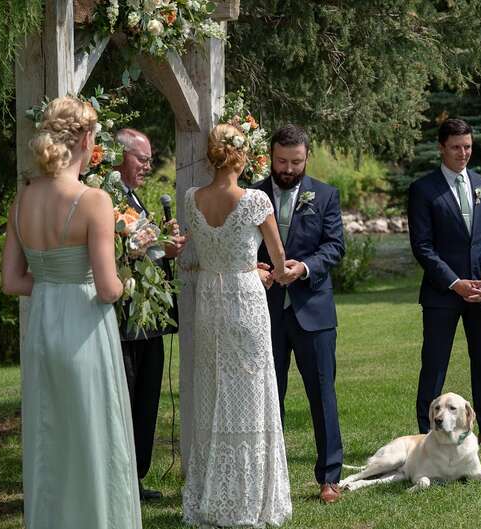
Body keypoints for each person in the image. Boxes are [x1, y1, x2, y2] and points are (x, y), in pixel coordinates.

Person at [0, 96, 142, 529]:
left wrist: (50, 288)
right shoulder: (94, 200)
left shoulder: (21, 202)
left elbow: (11, 281)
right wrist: (130, 277)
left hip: (43, 329)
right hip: (84, 331)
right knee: (94, 439)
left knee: (51, 439)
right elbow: (106, 288)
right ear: (84, 139)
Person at [181, 123, 292, 527]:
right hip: (245, 299)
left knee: (211, 389)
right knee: (250, 391)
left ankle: (211, 495)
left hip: (209, 298)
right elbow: (279, 262)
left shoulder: (193, 198)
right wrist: (268, 272)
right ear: (242, 157)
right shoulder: (257, 199)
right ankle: (248, 501)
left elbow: (195, 248)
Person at [407, 117, 481, 447]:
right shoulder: (423, 189)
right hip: (442, 294)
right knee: (434, 365)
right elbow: (423, 247)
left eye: (468, 146)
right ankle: (425, 433)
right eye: (456, 147)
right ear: (441, 148)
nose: (463, 153)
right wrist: (455, 282)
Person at [255, 124, 346, 504]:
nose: (288, 169)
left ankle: (329, 478)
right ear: (271, 157)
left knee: (322, 395)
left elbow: (335, 247)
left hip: (314, 312)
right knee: (267, 396)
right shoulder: (252, 194)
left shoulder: (325, 195)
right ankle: (266, 476)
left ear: (307, 157)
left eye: (296, 161)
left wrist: (303, 268)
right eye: (281, 161)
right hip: (266, 312)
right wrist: (256, 269)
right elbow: (242, 245)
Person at [114, 128, 186, 501]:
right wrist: (161, 247)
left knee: (146, 401)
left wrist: (162, 241)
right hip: (124, 321)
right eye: (141, 158)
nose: (147, 165)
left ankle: (136, 478)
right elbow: (122, 251)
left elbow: (144, 248)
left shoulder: (134, 199)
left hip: (148, 322)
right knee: (126, 400)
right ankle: (122, 479)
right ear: (119, 156)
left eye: (149, 158)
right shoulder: (108, 198)